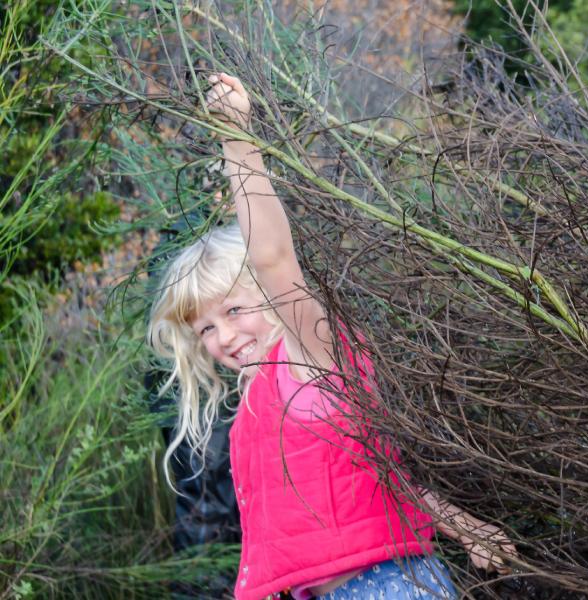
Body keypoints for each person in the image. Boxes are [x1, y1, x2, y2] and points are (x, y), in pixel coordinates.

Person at [148, 73, 516, 600]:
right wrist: (463, 525)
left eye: (234, 309)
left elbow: (273, 260)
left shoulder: (311, 354)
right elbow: (374, 476)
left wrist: (236, 139)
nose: (224, 335)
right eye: (206, 327)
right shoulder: (260, 400)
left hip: (385, 589)